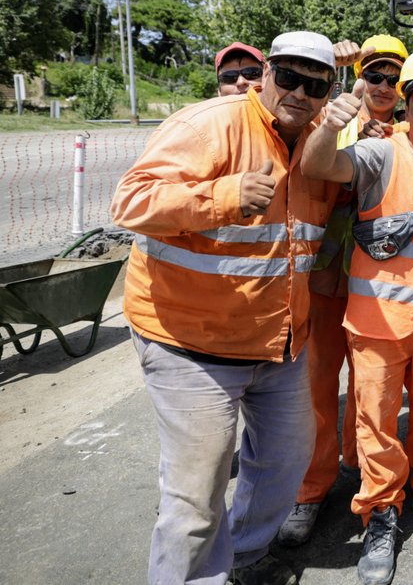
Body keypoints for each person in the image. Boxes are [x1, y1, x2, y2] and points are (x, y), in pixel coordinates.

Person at [112, 30, 344, 585]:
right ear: (266, 75)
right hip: (190, 343)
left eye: (315, 85)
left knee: (285, 461)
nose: (300, 93)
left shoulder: (319, 144)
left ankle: (244, 555)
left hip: (279, 344)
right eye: (288, 77)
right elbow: (130, 201)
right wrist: (224, 196)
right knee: (195, 497)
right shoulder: (209, 126)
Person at [300, 44, 413, 585]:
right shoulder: (381, 153)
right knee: (376, 423)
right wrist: (332, 123)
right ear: (406, 107)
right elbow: (318, 165)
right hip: (378, 321)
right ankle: (381, 512)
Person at [277, 34, 409, 547]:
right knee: (317, 386)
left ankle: (359, 467)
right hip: (327, 277)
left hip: (379, 283)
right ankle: (310, 488)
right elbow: (297, 141)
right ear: (358, 78)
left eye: (393, 78)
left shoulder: (411, 132)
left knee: (369, 388)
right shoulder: (331, 119)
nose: (383, 85)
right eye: (374, 74)